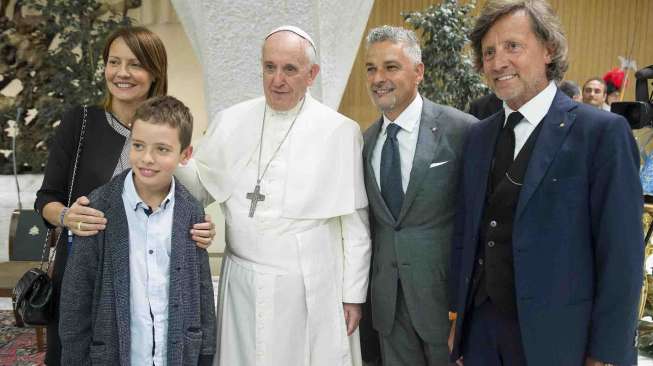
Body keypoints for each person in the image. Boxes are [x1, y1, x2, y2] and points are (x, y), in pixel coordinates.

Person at [448, 1, 643, 365]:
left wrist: (607, 351)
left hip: (559, 339)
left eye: (512, 46)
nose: (497, 62)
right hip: (481, 335)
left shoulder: (600, 133)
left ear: (548, 49)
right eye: (489, 52)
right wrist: (458, 322)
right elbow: (466, 234)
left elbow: (621, 255)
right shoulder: (478, 136)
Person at [175, 26, 371, 366]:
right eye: (269, 67)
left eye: (289, 69)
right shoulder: (232, 120)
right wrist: (171, 157)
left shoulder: (339, 131)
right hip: (242, 284)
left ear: (312, 74)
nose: (276, 79)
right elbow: (199, 189)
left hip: (308, 287)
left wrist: (352, 296)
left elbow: (354, 223)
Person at [34, 26, 214, 365]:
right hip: (85, 272)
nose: (122, 73)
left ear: (154, 71)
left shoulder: (169, 126)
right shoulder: (80, 122)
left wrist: (202, 229)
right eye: (113, 62)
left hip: (147, 276)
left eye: (135, 64)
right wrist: (66, 216)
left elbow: (184, 202)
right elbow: (46, 198)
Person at [59, 96, 216, 365]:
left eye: (162, 149)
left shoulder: (192, 213)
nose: (147, 159)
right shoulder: (97, 209)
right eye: (139, 145)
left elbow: (201, 292)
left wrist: (205, 354)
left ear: (185, 155)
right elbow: (76, 300)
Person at [361, 26, 476, 366]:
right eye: (371, 68)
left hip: (445, 308)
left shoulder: (463, 130)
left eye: (391, 67)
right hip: (388, 308)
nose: (378, 77)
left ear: (419, 71)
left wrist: (468, 308)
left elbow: (478, 224)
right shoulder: (364, 142)